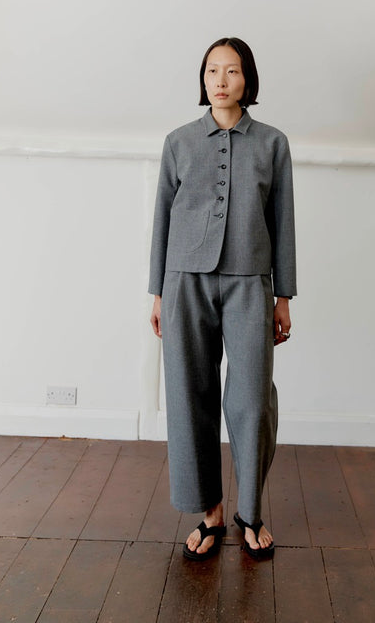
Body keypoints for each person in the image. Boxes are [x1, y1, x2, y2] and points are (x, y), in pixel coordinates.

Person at [148, 36, 297, 561]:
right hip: (184, 281)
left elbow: (283, 221)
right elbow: (162, 219)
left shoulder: (273, 143)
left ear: (247, 79)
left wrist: (283, 295)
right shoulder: (178, 142)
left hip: (249, 282)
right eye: (212, 70)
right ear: (203, 78)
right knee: (189, 393)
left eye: (232, 71)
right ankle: (209, 512)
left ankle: (250, 512)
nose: (221, 80)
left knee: (252, 399)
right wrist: (158, 292)